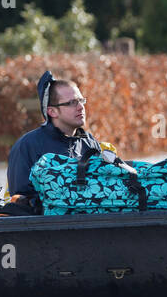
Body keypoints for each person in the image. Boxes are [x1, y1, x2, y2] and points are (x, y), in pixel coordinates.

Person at [6, 71, 118, 207]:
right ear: (52, 112)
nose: (80, 107)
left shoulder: (89, 143)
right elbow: (20, 199)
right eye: (72, 103)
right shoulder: (27, 146)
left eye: (81, 100)